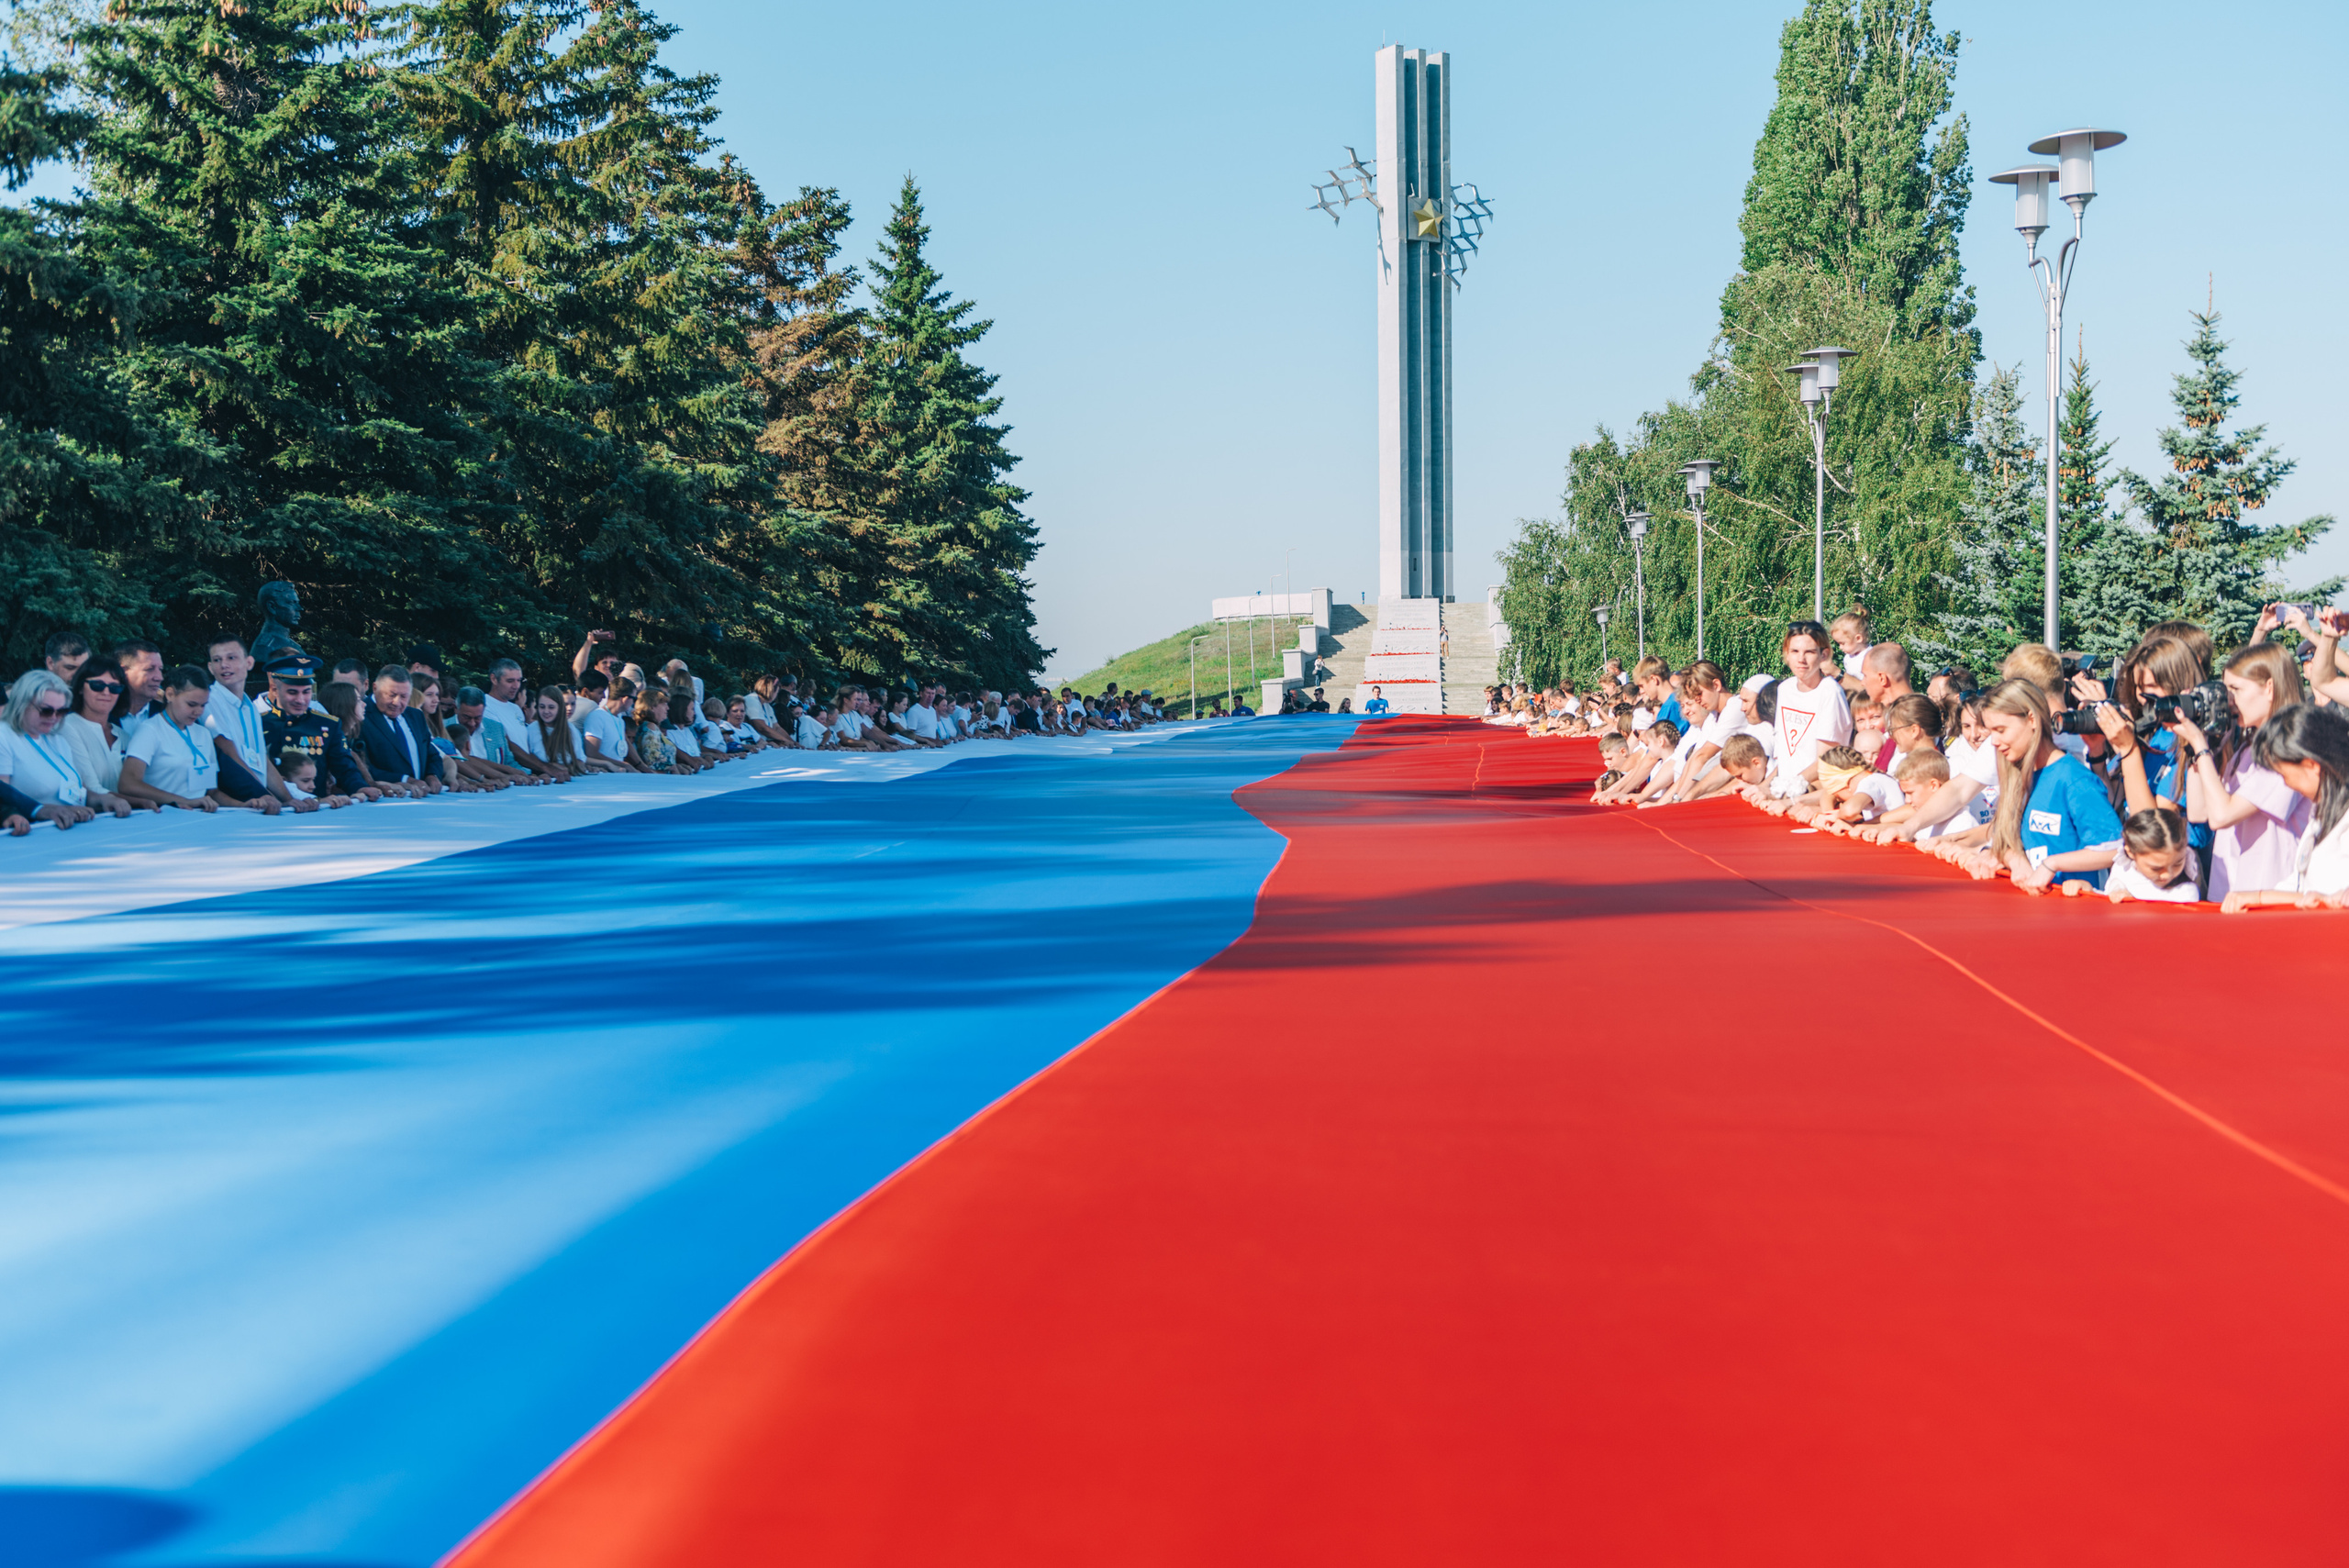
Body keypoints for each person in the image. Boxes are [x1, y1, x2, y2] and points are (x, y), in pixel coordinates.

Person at [2169, 640, 2307, 904]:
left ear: (2270, 688)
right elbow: (2200, 812)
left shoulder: (2288, 752)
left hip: (2267, 899)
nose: (2228, 701)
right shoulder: (2247, 749)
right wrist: (2199, 740)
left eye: (2236, 690)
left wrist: (2201, 747)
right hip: (2229, 895)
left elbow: (2223, 815)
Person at [1975, 677, 2121, 894]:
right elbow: (2006, 839)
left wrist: (2052, 864)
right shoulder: (2019, 777)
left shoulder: (2074, 779)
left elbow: (2114, 849)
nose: (1993, 741)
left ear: (2032, 719)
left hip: (2077, 914)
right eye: (1991, 731)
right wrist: (2016, 861)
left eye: (2001, 730)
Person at [2219, 701, 2349, 911]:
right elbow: (2300, 886)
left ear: (2311, 765)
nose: (2285, 783)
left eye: (2284, 774)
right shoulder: (2321, 814)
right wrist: (2255, 898)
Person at [119, 666, 280, 813]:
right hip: (161, 818)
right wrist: (184, 801)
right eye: (191, 704)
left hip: (199, 818)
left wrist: (243, 805)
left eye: (203, 705)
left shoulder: (203, 734)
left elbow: (211, 793)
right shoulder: (150, 730)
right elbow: (128, 783)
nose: (198, 712)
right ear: (170, 694)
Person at [0, 671, 125, 822]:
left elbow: (78, 791)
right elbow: (4, 799)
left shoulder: (57, 740)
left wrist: (104, 799)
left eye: (62, 711)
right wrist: (43, 810)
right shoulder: (4, 736)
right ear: (22, 704)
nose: (54, 717)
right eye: (46, 711)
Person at [203, 634, 306, 809]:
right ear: (211, 668)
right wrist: (267, 796)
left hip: (259, 798)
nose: (224, 665)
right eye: (217, 660)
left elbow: (261, 759)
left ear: (249, 663)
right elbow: (229, 755)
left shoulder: (249, 705)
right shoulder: (209, 700)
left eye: (231, 658)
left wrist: (288, 799)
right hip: (238, 802)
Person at [258, 652, 376, 800]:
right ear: (275, 690)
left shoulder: (328, 724)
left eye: (306, 692)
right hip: (273, 812)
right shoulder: (258, 724)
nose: (300, 700)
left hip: (317, 810)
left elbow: (344, 767)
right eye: (292, 693)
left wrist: (360, 787)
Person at [1772, 620, 1853, 795]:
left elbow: (1827, 759)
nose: (1801, 659)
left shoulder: (1830, 692)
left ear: (1823, 655)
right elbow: (1785, 754)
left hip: (1813, 793)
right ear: (1787, 654)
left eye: (1809, 652)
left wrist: (1794, 785)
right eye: (1794, 651)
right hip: (1786, 790)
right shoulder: (1784, 689)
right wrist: (1767, 786)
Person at [2073, 806, 2200, 905]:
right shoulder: (2122, 870)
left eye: (2178, 864)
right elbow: (2108, 901)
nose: (2167, 874)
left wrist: (2132, 904)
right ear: (2131, 853)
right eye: (2156, 868)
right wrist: (2088, 892)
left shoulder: (2185, 892)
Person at [59, 659, 138, 803]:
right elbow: (92, 788)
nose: (106, 692)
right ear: (81, 688)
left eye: (114, 687)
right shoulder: (67, 727)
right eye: (98, 685)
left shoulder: (123, 735)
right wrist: (141, 802)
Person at [360, 665, 442, 794]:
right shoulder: (360, 717)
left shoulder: (416, 716)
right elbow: (361, 766)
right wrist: (404, 780)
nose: (397, 702)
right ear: (375, 688)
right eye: (391, 695)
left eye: (404, 697)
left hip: (422, 798)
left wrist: (433, 775)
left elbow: (431, 754)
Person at [453, 687, 538, 784]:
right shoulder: (442, 730)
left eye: (477, 718)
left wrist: (529, 775)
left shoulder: (496, 729)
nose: (472, 723)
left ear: (484, 710)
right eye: (466, 717)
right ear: (456, 708)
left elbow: (509, 761)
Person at [518, 685, 590, 775]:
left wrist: (568, 768)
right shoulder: (531, 730)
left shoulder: (571, 729)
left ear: (560, 708)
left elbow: (580, 761)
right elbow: (526, 760)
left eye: (551, 707)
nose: (546, 711)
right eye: (542, 707)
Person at [112, 639, 165, 742]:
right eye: (150, 669)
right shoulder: (103, 712)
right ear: (123, 671)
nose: (159, 677)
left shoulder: (167, 715)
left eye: (160, 669)